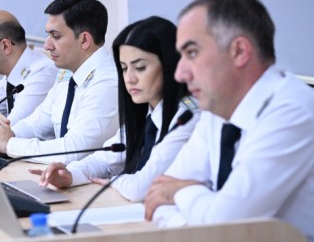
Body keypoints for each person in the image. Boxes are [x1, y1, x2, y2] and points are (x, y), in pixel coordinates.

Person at [143, 0, 314, 242]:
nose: (179, 73)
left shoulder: (293, 114)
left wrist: (180, 194)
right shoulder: (217, 110)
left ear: (239, 51)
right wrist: (190, 206)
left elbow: (223, 229)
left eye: (192, 53)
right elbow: (158, 197)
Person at [29, 16, 198, 202]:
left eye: (140, 67)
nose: (130, 78)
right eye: (124, 68)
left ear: (170, 65)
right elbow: (104, 161)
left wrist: (114, 181)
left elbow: (141, 188)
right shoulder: (145, 114)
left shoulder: (187, 118)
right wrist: (69, 175)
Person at [0, 0, 119, 164]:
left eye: (56, 36)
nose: (47, 45)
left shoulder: (107, 82)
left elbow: (74, 150)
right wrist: (7, 133)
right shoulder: (67, 75)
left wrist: (10, 144)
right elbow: (36, 124)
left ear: (84, 40)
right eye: (48, 35)